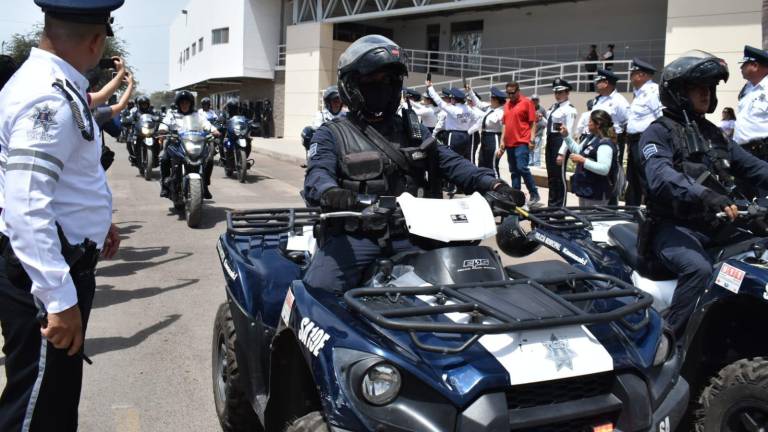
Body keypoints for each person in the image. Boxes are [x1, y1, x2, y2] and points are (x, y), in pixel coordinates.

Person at [302, 35, 523, 293]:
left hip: (419, 232)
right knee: (318, 293)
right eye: (373, 81)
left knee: (476, 281)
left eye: (390, 81)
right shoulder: (332, 133)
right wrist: (331, 193)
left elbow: (451, 162)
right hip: (360, 237)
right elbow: (317, 175)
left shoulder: (413, 130)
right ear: (350, 86)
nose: (382, 87)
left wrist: (493, 183)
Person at [0, 1, 124, 430]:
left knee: (55, 404)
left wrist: (99, 221)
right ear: (96, 40)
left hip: (62, 263)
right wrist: (58, 299)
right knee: (36, 411)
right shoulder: (47, 98)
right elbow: (26, 206)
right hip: (46, 280)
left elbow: (68, 176)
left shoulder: (57, 84)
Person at [639, 50, 768, 337]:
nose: (706, 93)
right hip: (672, 227)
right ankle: (668, 342)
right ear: (678, 92)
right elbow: (660, 176)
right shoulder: (658, 132)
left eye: (710, 87)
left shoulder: (714, 134)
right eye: (698, 87)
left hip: (714, 226)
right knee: (697, 270)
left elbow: (755, 168)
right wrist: (706, 195)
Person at [158, 90, 220, 199]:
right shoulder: (172, 114)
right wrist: (162, 131)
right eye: (182, 103)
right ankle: (164, 186)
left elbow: (206, 124)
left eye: (187, 102)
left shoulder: (197, 115)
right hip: (176, 143)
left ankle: (205, 185)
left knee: (209, 159)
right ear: (178, 104)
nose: (184, 105)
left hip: (194, 143)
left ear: (191, 103)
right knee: (164, 159)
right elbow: (164, 124)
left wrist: (214, 130)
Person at [557, 110, 617, 206]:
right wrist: (566, 136)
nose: (587, 124)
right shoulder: (590, 137)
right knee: (583, 219)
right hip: (586, 190)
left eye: (590, 121)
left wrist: (582, 160)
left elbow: (604, 169)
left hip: (597, 193)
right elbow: (578, 151)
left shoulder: (605, 144)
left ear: (598, 124)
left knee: (592, 220)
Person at [497, 81, 541, 206]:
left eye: (512, 93)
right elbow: (505, 124)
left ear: (518, 91)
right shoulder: (507, 105)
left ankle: (534, 193)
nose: (510, 95)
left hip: (522, 141)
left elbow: (532, 122)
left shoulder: (527, 102)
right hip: (509, 143)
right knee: (514, 171)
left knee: (522, 168)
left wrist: (532, 139)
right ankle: (516, 196)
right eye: (508, 93)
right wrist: (502, 141)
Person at [625, 58, 662, 206]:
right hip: (633, 140)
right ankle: (631, 212)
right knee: (633, 179)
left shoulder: (653, 91)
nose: (631, 76)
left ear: (642, 75)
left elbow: (661, 116)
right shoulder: (639, 93)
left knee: (645, 178)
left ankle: (651, 213)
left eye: (633, 73)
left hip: (645, 140)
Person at [592, 69, 630, 204]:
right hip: (596, 138)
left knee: (610, 173)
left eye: (598, 82)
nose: (596, 84)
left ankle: (611, 206)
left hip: (611, 138)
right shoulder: (598, 99)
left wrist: (615, 140)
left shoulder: (619, 101)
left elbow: (627, 122)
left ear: (606, 83)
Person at [545, 78, 578, 207]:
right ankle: (552, 205)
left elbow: (568, 132)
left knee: (559, 177)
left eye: (560, 92)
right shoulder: (554, 107)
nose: (557, 95)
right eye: (556, 92)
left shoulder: (570, 110)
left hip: (561, 141)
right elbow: (551, 124)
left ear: (567, 92)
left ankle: (560, 208)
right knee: (552, 176)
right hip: (551, 140)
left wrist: (562, 153)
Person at [733, 45, 768, 159]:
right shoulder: (747, 88)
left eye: (744, 65)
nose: (741, 68)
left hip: (762, 153)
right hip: (743, 151)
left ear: (755, 65)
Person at [426, 84, 477, 161]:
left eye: (451, 98)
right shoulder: (468, 109)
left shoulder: (452, 109)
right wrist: (469, 128)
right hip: (466, 135)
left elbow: (439, 101)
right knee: (464, 159)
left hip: (454, 136)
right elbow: (476, 119)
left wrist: (430, 87)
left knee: (451, 158)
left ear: (454, 99)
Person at [529, 94, 547, 167]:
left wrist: (541, 120)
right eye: (533, 100)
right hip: (529, 133)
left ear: (538, 101)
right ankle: (530, 163)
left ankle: (537, 164)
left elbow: (546, 120)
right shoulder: (528, 108)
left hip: (538, 133)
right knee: (530, 149)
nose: (535, 101)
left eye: (536, 100)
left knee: (537, 149)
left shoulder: (541, 109)